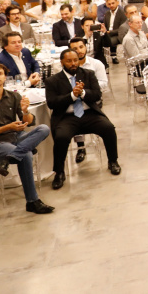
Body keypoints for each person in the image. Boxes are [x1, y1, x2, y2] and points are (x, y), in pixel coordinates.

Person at [0, 62, 54, 214]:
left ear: (5, 77)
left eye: (0, 73)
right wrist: (7, 127)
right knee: (25, 154)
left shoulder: (13, 96)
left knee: (44, 128)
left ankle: (6, 160)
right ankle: (32, 201)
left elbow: (29, 121)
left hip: (16, 138)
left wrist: (25, 111)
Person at [45, 49, 120, 190]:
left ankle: (113, 161)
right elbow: (52, 103)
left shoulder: (88, 74)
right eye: (69, 61)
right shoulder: (52, 81)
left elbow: (97, 95)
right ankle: (59, 172)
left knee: (108, 128)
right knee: (61, 137)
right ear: (61, 62)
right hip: (67, 117)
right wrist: (72, 96)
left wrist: (83, 93)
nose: (73, 63)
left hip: (89, 113)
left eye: (75, 60)